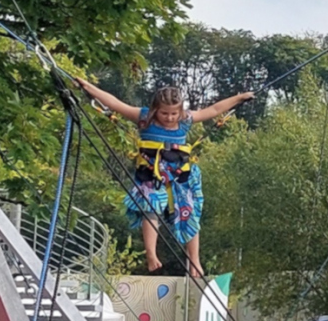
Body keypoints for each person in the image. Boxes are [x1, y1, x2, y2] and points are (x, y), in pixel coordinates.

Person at [73, 77, 253, 275]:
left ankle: (194, 260)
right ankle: (151, 254)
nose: (169, 118)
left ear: (180, 111)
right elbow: (115, 103)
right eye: (164, 113)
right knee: (150, 208)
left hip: (179, 175)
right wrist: (88, 87)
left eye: (174, 113)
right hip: (151, 175)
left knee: (188, 212)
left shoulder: (185, 120)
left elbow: (214, 109)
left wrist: (240, 98)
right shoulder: (144, 118)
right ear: (155, 110)